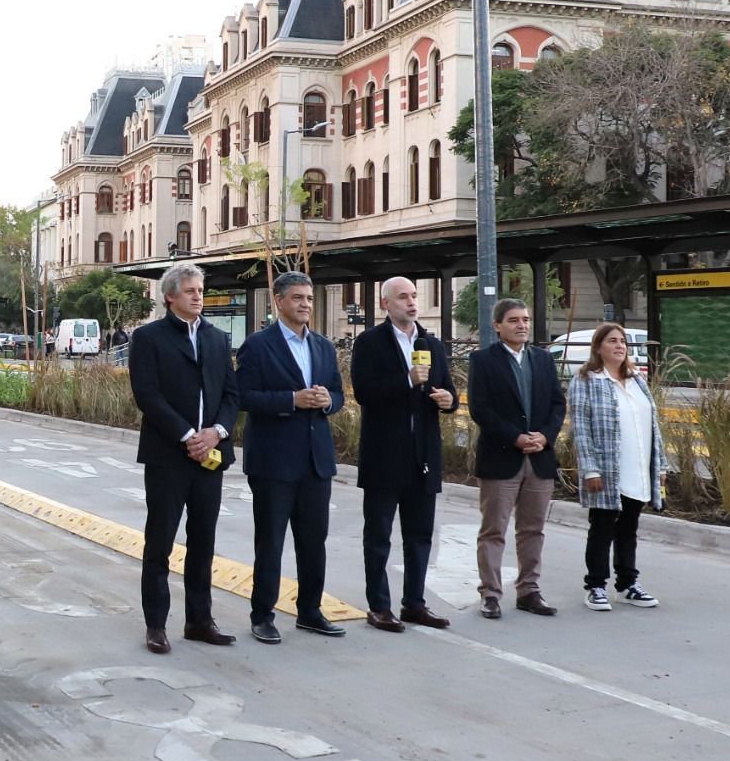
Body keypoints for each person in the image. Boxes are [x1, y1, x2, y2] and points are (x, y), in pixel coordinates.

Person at [128, 262, 241, 654]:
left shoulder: (217, 338)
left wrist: (216, 432)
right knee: (159, 542)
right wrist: (187, 435)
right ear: (170, 296)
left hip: (211, 455)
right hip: (168, 456)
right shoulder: (148, 338)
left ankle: (199, 621)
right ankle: (156, 625)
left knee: (203, 541)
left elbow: (231, 394)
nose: (198, 296)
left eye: (200, 290)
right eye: (190, 290)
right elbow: (147, 394)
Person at [235, 272, 345, 644]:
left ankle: (310, 612)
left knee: (314, 541)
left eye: (309, 298)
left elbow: (338, 393)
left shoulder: (323, 346)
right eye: (297, 298)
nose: (305, 304)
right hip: (274, 461)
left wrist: (328, 401)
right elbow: (243, 396)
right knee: (271, 542)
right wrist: (290, 400)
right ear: (278, 301)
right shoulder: (257, 345)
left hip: (316, 460)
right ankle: (262, 615)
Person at [350, 276, 457, 633]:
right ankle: (379, 607)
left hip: (423, 457)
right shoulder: (369, 342)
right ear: (385, 304)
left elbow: (449, 391)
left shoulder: (431, 344)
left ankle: (414, 603)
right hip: (384, 457)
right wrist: (407, 380)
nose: (411, 303)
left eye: (413, 296)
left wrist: (448, 401)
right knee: (379, 537)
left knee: (420, 536)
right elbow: (364, 392)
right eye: (402, 297)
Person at [468, 298, 566, 620]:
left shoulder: (543, 359)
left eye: (525, 319)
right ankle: (490, 594)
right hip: (501, 457)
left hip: (539, 458)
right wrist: (515, 437)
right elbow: (480, 408)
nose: (522, 325)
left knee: (533, 529)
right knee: (494, 530)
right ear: (497, 326)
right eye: (513, 320)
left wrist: (545, 437)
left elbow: (557, 404)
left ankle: (529, 591)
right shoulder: (483, 360)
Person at [570, 323, 665, 611]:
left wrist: (660, 465)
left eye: (622, 341)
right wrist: (590, 469)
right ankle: (596, 586)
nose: (620, 346)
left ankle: (627, 584)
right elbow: (580, 428)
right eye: (612, 341)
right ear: (598, 347)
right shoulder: (586, 380)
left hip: (637, 467)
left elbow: (653, 425)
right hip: (607, 468)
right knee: (602, 526)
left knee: (628, 528)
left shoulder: (637, 381)